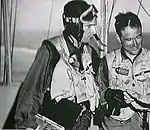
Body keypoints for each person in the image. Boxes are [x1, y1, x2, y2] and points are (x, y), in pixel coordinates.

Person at [12, 1, 103, 129]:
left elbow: (101, 84)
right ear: (75, 26)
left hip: (83, 123)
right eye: (88, 26)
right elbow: (32, 93)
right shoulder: (50, 51)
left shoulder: (89, 52)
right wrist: (25, 125)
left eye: (93, 26)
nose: (93, 31)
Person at [97, 12, 150, 130]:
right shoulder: (108, 61)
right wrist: (109, 95)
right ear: (118, 38)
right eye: (129, 39)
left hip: (147, 123)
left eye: (138, 37)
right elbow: (97, 93)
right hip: (116, 124)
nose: (135, 44)